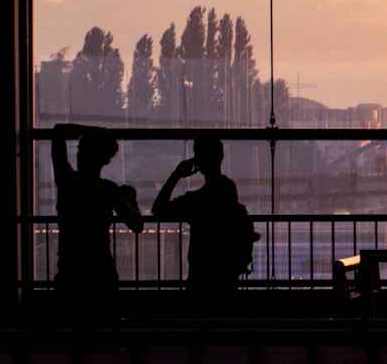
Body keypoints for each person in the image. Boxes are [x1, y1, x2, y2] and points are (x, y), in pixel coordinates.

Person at [151, 135, 255, 313]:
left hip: (201, 271)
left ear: (197, 159)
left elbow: (158, 209)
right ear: (221, 156)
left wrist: (176, 176)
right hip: (226, 271)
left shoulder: (196, 201)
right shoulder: (228, 190)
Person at [51, 123, 143, 316]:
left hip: (70, 269)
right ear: (105, 160)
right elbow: (136, 224)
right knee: (104, 331)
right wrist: (132, 200)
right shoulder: (109, 190)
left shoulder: (67, 181)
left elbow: (58, 130)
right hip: (100, 271)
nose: (78, 153)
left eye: (81, 149)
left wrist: (93, 129)